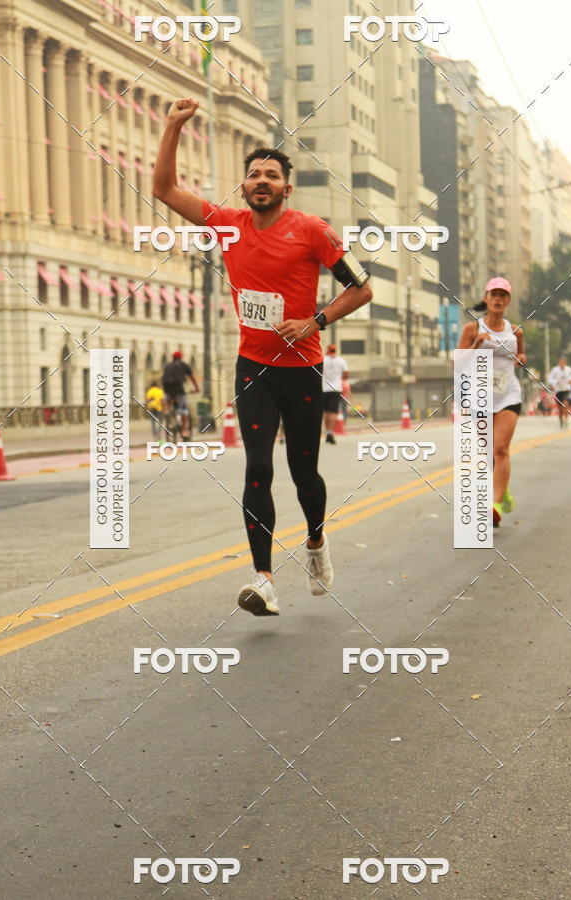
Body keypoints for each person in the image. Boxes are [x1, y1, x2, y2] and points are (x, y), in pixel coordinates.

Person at [152, 97, 373, 616]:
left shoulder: (312, 230)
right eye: (253, 175)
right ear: (245, 186)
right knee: (257, 468)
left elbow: (361, 289)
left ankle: (316, 543)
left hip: (302, 369)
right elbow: (163, 189)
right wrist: (172, 127)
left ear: (286, 188)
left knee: (304, 473)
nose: (260, 181)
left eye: (270, 175)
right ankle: (264, 579)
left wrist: (315, 320)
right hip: (254, 368)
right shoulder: (228, 226)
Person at [458, 277, 526, 528]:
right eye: (493, 295)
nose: (498, 299)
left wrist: (521, 357)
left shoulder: (515, 331)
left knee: (500, 448)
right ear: (486, 298)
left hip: (508, 395)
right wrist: (476, 346)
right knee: (488, 454)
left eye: (503, 295)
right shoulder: (472, 329)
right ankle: (503, 489)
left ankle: (495, 505)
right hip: (480, 398)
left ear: (507, 301)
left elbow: (520, 353)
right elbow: (457, 364)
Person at [162, 350, 200, 441]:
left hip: (167, 389)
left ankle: (168, 415)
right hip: (179, 390)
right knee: (184, 410)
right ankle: (184, 430)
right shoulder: (184, 366)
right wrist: (197, 388)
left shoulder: (167, 366)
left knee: (168, 401)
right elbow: (192, 378)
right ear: (181, 357)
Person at [322, 344, 349, 443]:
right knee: (334, 412)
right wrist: (340, 378)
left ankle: (327, 431)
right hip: (336, 389)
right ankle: (330, 432)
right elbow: (346, 374)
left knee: (326, 412)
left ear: (327, 351)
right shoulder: (341, 361)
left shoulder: (323, 360)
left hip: (324, 389)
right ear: (335, 351)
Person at [548, 356, 571, 428]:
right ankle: (561, 420)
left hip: (566, 389)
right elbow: (550, 379)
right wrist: (554, 383)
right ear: (559, 362)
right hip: (558, 390)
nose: (562, 363)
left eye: (563, 362)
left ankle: (566, 420)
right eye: (561, 362)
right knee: (559, 408)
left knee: (565, 404)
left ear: (565, 363)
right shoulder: (555, 370)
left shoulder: (569, 369)